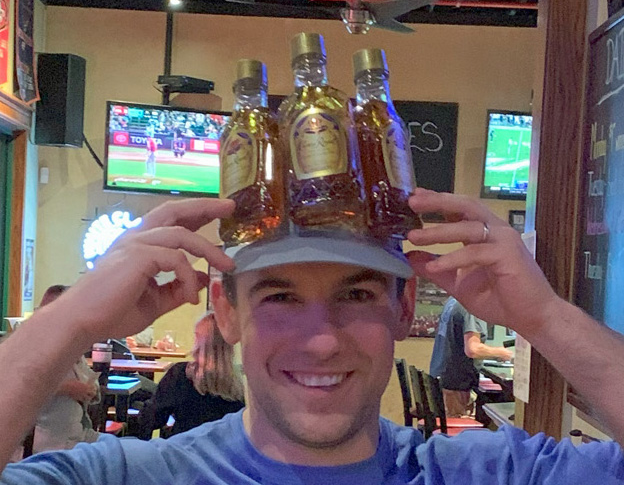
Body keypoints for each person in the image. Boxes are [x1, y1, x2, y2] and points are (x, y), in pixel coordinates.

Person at [0, 190, 623, 484]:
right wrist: (71, 318)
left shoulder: (494, 476)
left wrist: (546, 317)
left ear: (404, 308)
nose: (322, 341)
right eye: (279, 297)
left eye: (356, 295)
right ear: (227, 310)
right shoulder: (125, 479)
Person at [11, 285, 100, 461]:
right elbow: (14, 388)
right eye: (43, 311)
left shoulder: (72, 346)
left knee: (130, 452)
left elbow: (88, 380)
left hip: (77, 436)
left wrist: (91, 389)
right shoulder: (28, 346)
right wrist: (64, 388)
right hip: (43, 446)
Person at [137, 311, 245, 439]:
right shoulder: (238, 386)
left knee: (138, 387)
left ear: (198, 341)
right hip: (221, 449)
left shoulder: (182, 374)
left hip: (183, 446)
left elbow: (154, 419)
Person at [430, 296, 513, 417]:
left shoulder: (453, 301)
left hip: (441, 379)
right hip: (456, 385)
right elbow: (472, 349)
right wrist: (501, 353)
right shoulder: (472, 309)